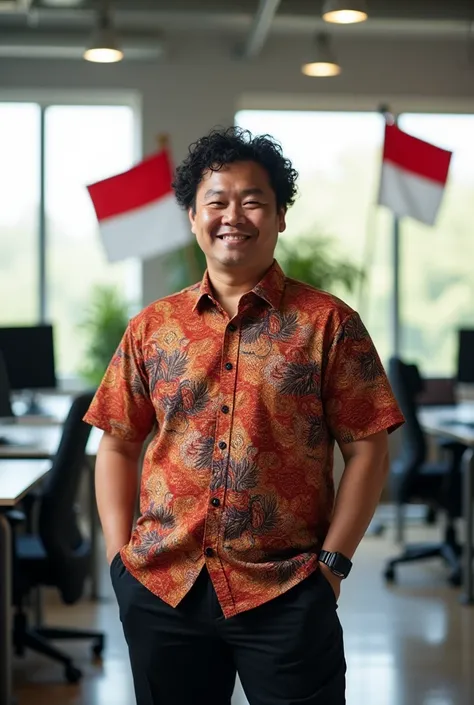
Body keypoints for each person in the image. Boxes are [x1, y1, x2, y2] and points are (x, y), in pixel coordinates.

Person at [84, 126, 404, 705]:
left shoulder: (329, 324)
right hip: (163, 589)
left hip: (286, 593)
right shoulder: (153, 329)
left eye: (253, 200)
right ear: (192, 217)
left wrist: (332, 567)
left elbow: (368, 449)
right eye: (217, 201)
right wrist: (118, 561)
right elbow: (116, 443)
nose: (234, 215)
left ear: (281, 216)